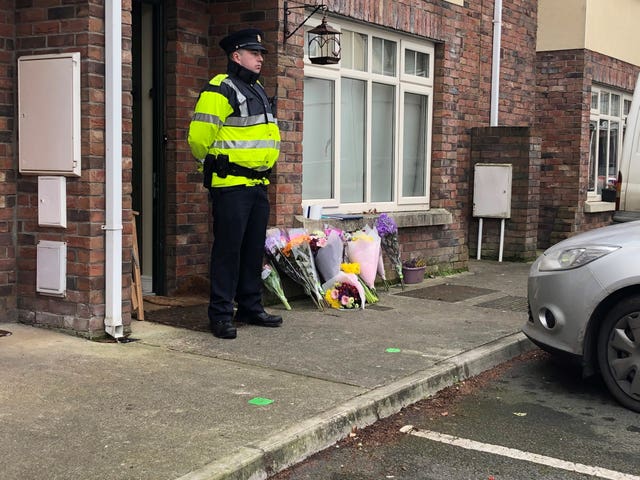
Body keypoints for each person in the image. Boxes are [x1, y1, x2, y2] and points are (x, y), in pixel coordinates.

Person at [188, 28, 282, 339]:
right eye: (254, 53)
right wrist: (215, 165)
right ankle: (220, 315)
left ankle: (251, 307)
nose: (260, 59)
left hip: (257, 184)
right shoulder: (221, 87)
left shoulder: (256, 89)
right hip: (231, 184)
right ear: (236, 55)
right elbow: (198, 138)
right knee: (228, 251)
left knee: (253, 250)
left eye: (261, 54)